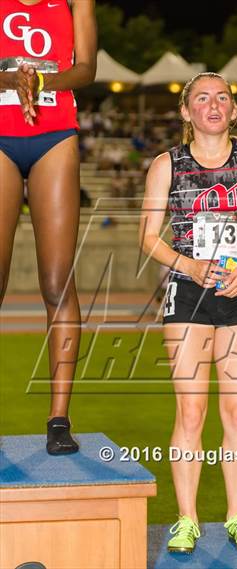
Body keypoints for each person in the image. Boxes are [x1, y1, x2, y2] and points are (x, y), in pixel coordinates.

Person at [140, 72, 237, 554]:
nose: (213, 103)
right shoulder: (167, 164)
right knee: (192, 409)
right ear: (186, 112)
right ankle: (186, 519)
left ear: (234, 109)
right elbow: (148, 238)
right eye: (201, 97)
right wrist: (189, 265)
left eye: (222, 96)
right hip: (188, 293)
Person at [0, 0, 97, 454]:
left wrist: (40, 81)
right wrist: (10, 80)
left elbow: (87, 68)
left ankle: (59, 419)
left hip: (54, 133)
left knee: (57, 280)